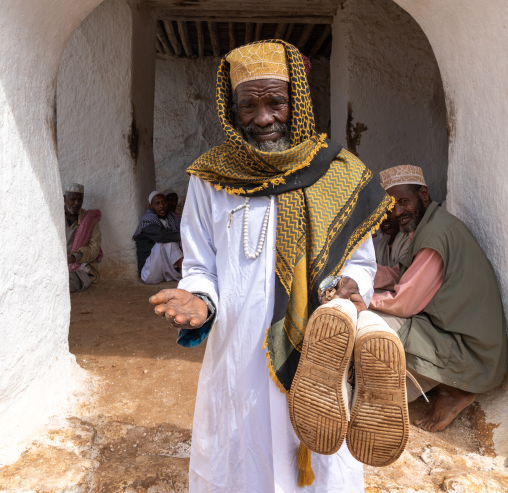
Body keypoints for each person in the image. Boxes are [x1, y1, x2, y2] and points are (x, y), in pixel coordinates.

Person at [149, 41, 398, 492]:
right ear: (232, 108)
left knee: (319, 458)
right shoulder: (210, 179)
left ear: (297, 100)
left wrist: (351, 285)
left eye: (275, 103)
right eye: (249, 105)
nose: (263, 118)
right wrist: (201, 300)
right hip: (239, 353)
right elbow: (201, 265)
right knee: (241, 459)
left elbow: (361, 262)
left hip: (320, 347)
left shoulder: (340, 172)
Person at [366, 164, 508, 432]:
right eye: (392, 205)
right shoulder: (434, 224)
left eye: (404, 201)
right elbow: (402, 274)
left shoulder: (435, 234)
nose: (397, 212)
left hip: (473, 357)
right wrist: (361, 275)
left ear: (424, 193)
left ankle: (454, 390)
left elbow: (403, 303)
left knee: (369, 319)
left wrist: (361, 296)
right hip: (465, 343)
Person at [133, 191, 183, 283]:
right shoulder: (147, 221)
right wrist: (184, 237)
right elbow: (162, 235)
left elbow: (182, 231)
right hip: (149, 271)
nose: (161, 206)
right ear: (150, 206)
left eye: (164, 202)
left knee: (182, 240)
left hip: (164, 269)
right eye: (157, 203)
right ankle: (187, 271)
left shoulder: (171, 217)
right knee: (169, 242)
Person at [64, 183, 102, 293]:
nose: (76, 203)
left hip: (79, 266)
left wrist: (74, 258)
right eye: (72, 199)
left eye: (79, 200)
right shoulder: (55, 217)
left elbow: (94, 249)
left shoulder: (90, 219)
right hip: (57, 263)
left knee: (66, 284)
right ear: (65, 198)